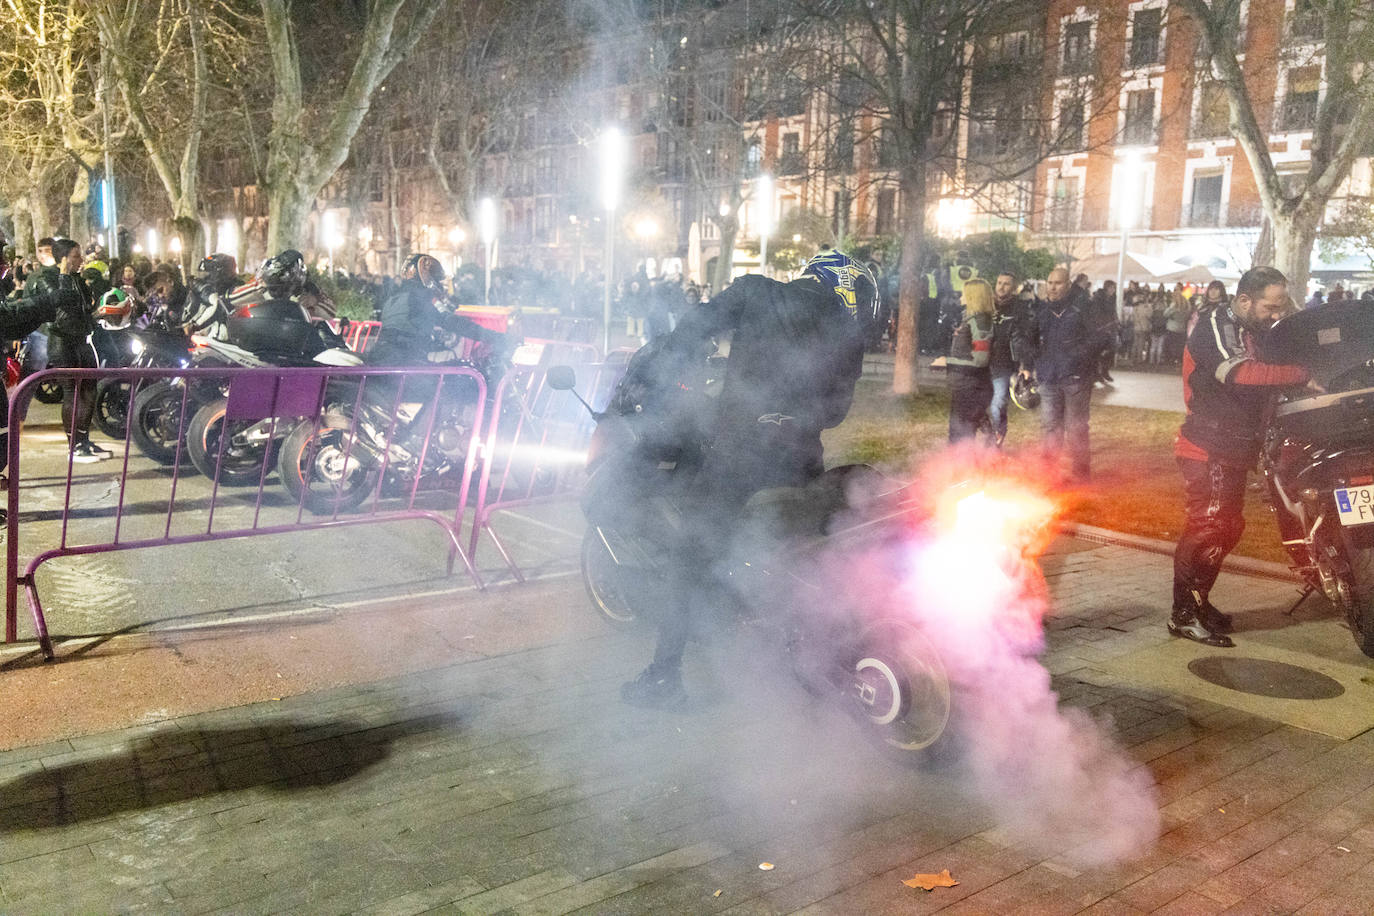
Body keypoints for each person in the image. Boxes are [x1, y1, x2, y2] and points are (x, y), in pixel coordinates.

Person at [620, 251, 872, 708]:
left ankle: (663, 678)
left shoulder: (757, 290)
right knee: (800, 546)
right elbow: (835, 413)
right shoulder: (848, 332)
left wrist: (668, 362)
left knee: (689, 556)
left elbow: (693, 329)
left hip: (738, 456)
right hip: (799, 459)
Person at [1170, 267, 1316, 646]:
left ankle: (1198, 602)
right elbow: (1238, 372)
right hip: (1206, 447)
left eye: (1279, 307)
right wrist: (1301, 374)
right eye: (1270, 307)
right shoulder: (1215, 323)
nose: (1275, 315)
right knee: (1208, 525)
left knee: (1228, 527)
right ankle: (1182, 614)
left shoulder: (1258, 329)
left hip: (1233, 447)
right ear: (1245, 300)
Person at [1016, 266, 1105, 483]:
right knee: (1050, 428)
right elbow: (1030, 338)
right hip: (1048, 377)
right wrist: (1028, 363)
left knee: (1076, 429)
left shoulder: (1082, 308)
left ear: (1068, 284)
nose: (1052, 287)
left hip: (1076, 378)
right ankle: (1049, 474)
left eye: (1058, 283)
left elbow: (1098, 339)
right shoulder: (1042, 311)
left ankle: (1081, 476)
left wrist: (1076, 357)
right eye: (1050, 282)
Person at [25, 239, 109, 461]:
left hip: (82, 339)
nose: (81, 260)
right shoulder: (48, 278)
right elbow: (60, 303)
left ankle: (84, 440)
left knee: (90, 389)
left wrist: (99, 313)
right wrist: (63, 275)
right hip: (62, 342)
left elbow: (83, 310)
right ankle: (74, 447)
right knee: (72, 392)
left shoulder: (78, 280)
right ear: (63, 259)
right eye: (75, 256)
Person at [946, 278, 995, 442]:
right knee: (957, 433)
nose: (960, 297)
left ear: (974, 296)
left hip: (972, 386)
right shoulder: (969, 319)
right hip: (963, 385)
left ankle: (966, 464)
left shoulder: (979, 321)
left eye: (964, 293)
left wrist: (949, 363)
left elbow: (981, 359)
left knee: (963, 435)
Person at [987, 272, 1025, 446]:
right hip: (985, 362)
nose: (1001, 287)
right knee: (984, 404)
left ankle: (996, 437)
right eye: (999, 282)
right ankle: (989, 436)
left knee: (998, 402)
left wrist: (1022, 363)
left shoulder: (1019, 308)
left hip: (1004, 363)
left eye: (1006, 284)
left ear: (1014, 287)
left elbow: (1023, 338)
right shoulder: (988, 305)